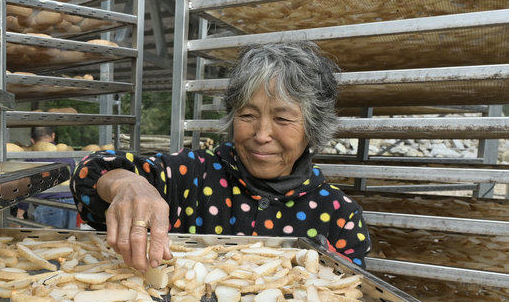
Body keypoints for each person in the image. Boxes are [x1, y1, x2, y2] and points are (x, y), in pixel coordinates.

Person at [71, 41, 371, 271]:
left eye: (282, 119)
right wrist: (126, 184)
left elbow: (350, 299)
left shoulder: (338, 214)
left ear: (313, 128)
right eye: (248, 114)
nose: (262, 134)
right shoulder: (191, 176)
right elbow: (92, 172)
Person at [16, 126, 78, 229]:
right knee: (69, 241)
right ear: (53, 136)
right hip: (71, 204)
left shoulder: (32, 159)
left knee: (49, 242)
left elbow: (26, 188)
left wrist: (20, 214)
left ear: (32, 141)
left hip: (48, 205)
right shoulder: (67, 155)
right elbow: (73, 181)